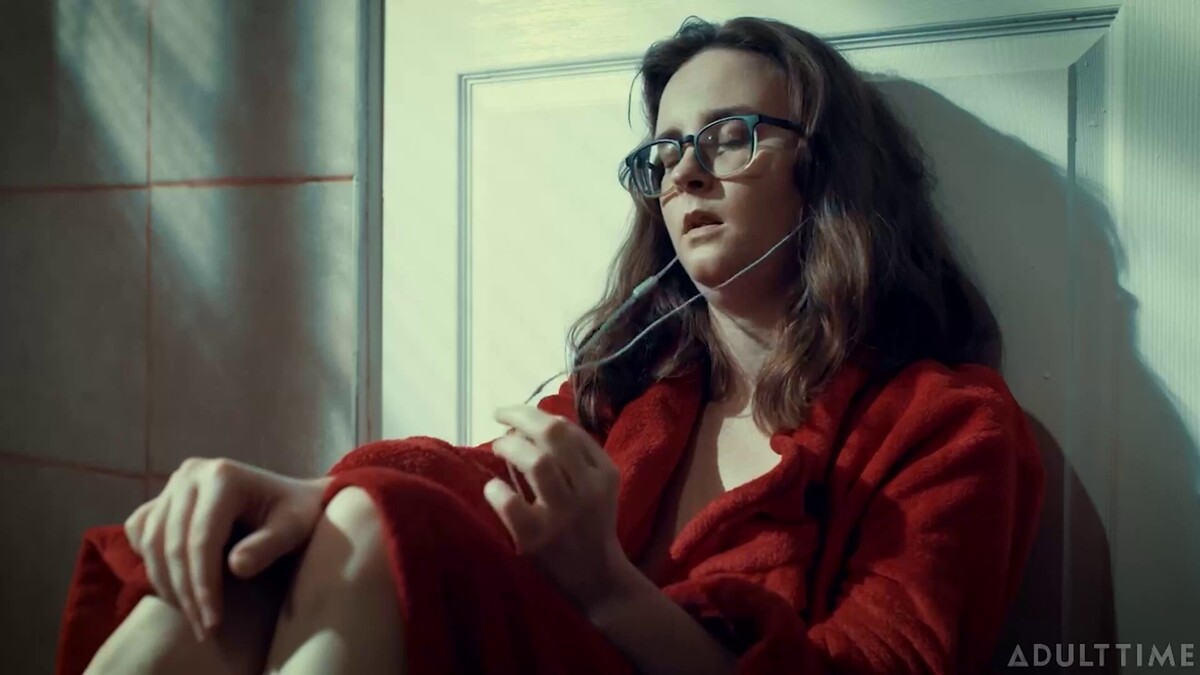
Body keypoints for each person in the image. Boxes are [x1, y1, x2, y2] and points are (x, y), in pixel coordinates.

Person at [57, 15, 1045, 675]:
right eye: (666, 151)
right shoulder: (642, 384)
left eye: (729, 136)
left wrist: (606, 586)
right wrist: (301, 493)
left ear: (825, 171)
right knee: (251, 552)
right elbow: (475, 475)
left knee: (376, 522)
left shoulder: (948, 426)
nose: (685, 175)